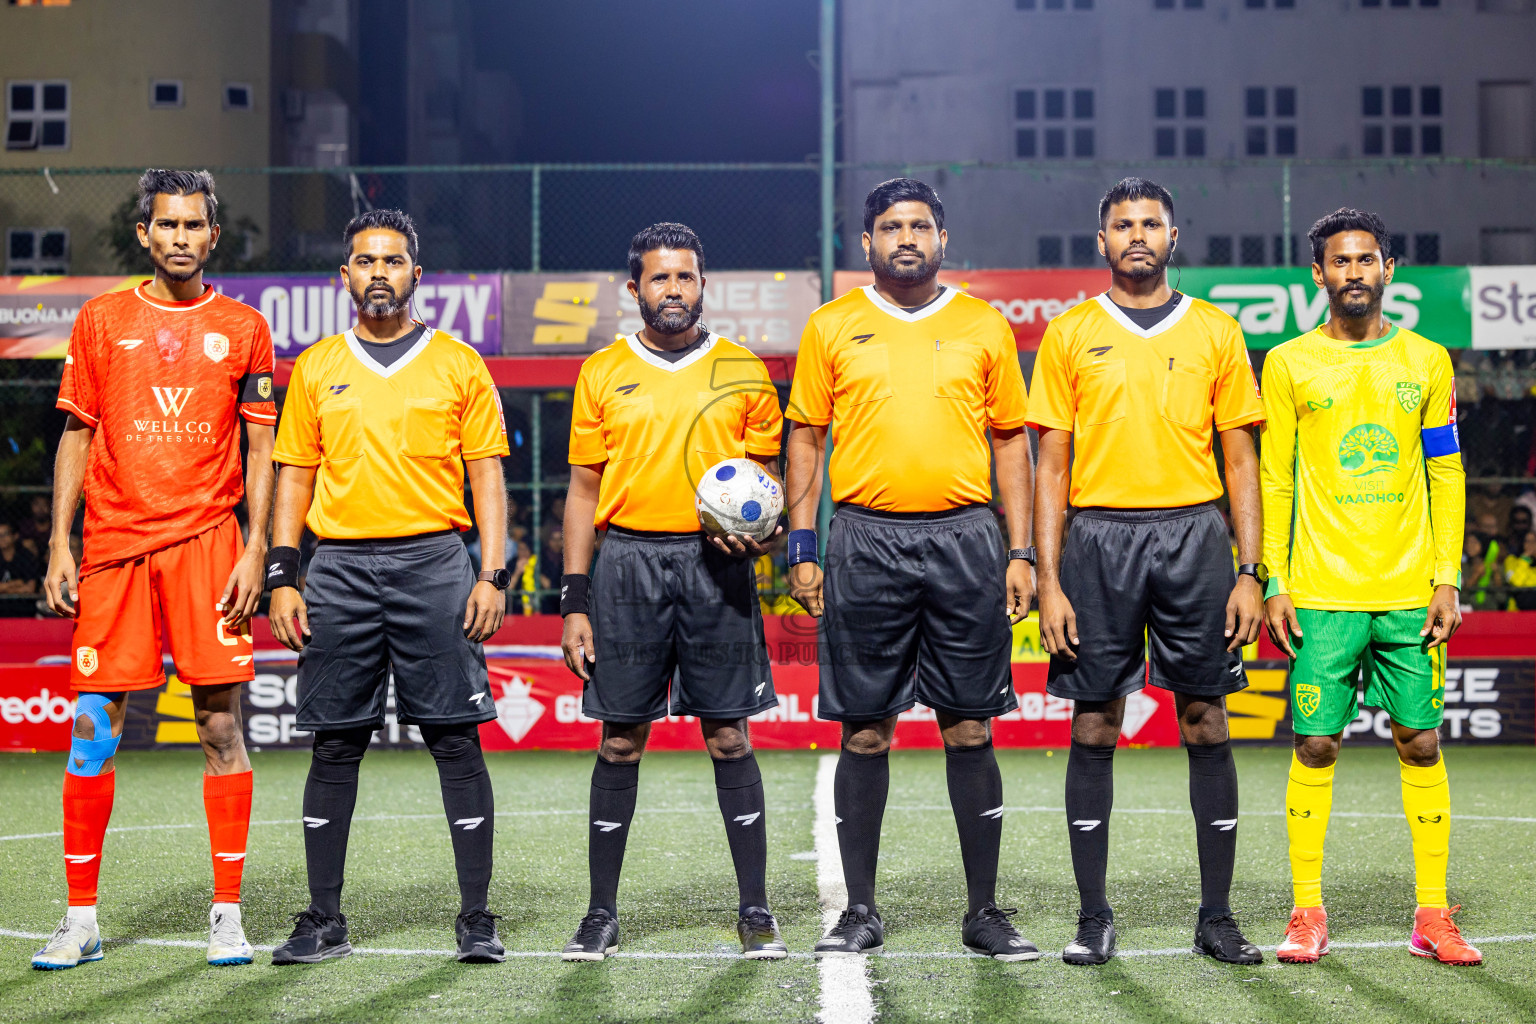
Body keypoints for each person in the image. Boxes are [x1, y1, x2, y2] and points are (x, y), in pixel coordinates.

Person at [785, 178, 1038, 961]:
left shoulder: (984, 324)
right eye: (890, 226)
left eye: (920, 225)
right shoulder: (831, 326)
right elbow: (805, 439)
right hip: (864, 540)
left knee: (969, 724)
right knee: (865, 730)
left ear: (941, 238)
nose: (906, 237)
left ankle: (985, 912)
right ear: (866, 243)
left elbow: (1009, 444)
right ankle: (860, 910)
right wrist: (802, 543)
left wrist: (1021, 550)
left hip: (966, 539)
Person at [32, 169, 275, 970]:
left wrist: (254, 549)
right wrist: (61, 542)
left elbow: (263, 446)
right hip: (113, 546)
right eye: (166, 224)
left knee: (219, 726)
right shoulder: (102, 319)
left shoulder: (244, 327)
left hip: (209, 544)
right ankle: (80, 919)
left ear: (214, 235)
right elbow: (76, 433)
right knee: (94, 730)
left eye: (193, 225)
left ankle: (227, 914)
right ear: (145, 234)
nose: (179, 237)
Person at [1030, 177, 1266, 967]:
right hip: (1097, 542)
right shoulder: (1068, 333)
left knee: (1205, 719)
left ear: (1174, 236)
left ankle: (1218, 917)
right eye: (1123, 224)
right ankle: (1094, 915)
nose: (1137, 234)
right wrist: (1051, 577)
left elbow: (1241, 460)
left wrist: (1250, 570)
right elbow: (1050, 466)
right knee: (1094, 722)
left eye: (1151, 223)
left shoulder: (1216, 332)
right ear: (1100, 241)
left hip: (1196, 538)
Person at [266, 209, 511, 965]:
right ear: (344, 276)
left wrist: (492, 572)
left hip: (435, 562)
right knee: (334, 744)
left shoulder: (459, 363)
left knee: (454, 739)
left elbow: (486, 474)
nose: (379, 272)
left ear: (416, 274)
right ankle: (323, 919)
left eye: (394, 261)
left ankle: (476, 918)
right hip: (337, 568)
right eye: (365, 261)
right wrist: (283, 572)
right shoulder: (315, 366)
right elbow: (294, 476)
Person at [558, 222, 787, 962]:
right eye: (659, 279)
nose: (674, 291)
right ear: (635, 290)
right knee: (620, 739)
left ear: (703, 284)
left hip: (715, 570)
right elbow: (583, 490)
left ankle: (755, 911)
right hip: (625, 565)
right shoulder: (601, 372)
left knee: (729, 736)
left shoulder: (744, 371)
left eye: (686, 278)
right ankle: (600, 914)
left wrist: (763, 538)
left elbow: (770, 493)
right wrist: (574, 600)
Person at [1263, 208, 1478, 966]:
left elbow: (1445, 471)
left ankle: (1432, 915)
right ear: (1317, 275)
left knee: (1420, 744)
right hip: (1321, 593)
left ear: (1390, 269)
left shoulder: (1426, 361)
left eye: (1367, 259)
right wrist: (1274, 578)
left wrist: (1446, 577)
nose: (1354, 271)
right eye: (1339, 261)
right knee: (1315, 744)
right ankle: (1307, 912)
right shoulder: (1287, 362)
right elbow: (1276, 478)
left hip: (1408, 591)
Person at [0, 521, 40, 595]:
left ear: (15, 536)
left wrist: (4, 588)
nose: (1, 538)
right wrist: (17, 583)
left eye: (5, 534)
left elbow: (30, 589)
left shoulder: (26, 556)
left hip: (23, 603)